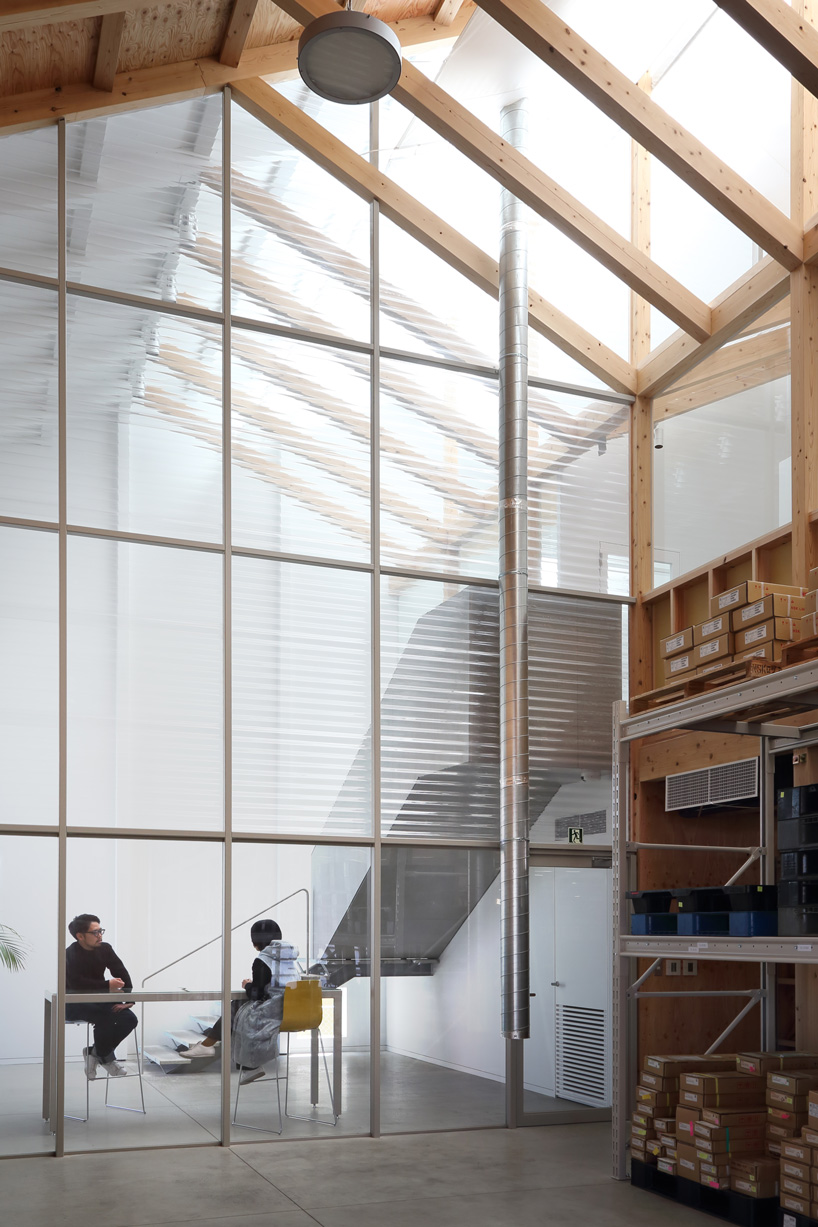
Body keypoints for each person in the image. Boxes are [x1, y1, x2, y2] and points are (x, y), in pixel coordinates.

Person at [180, 918, 298, 1085]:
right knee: (237, 1009)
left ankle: (243, 1064)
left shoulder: (262, 960)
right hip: (297, 1013)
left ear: (257, 941)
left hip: (274, 1014)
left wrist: (247, 985)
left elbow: (255, 995)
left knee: (236, 1009)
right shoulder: (290, 958)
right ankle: (213, 1048)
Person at [65, 914, 138, 1080]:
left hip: (99, 1001)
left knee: (129, 1019)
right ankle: (107, 1059)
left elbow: (121, 972)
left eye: (101, 931)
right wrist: (107, 986)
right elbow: (76, 983)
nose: (100, 936)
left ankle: (95, 1052)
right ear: (80, 936)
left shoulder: (105, 949)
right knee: (105, 1016)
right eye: (95, 932)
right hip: (74, 1004)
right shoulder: (70, 953)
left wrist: (129, 999)